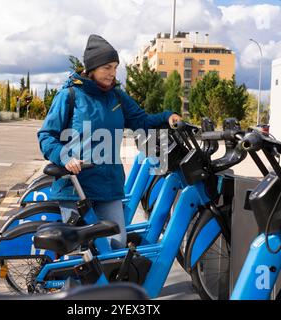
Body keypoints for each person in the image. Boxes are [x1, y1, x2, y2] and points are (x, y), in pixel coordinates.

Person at [38, 34, 181, 249]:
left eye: (115, 67)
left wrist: (167, 117)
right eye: (107, 67)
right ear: (92, 68)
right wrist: (64, 156)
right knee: (79, 252)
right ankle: (69, 285)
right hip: (76, 187)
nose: (112, 73)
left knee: (116, 244)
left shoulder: (117, 97)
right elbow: (46, 135)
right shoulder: (70, 95)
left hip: (108, 185)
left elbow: (141, 121)